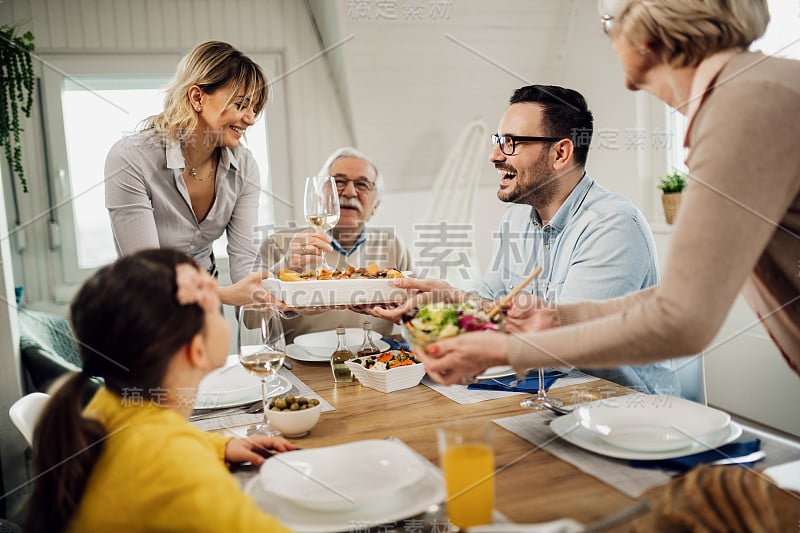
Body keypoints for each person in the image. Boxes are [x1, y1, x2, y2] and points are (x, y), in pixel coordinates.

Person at [405, 0, 800, 385]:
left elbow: (681, 319)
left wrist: (503, 351)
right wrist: (558, 318)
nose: (608, 39)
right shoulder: (749, 92)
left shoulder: (744, 105)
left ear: (647, 32)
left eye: (609, 23)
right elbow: (672, 300)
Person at [372, 85, 679, 393]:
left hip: (624, 409)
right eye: (498, 141)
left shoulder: (612, 225)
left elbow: (560, 348)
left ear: (560, 153)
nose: (494, 155)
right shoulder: (516, 219)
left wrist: (458, 304)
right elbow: (490, 299)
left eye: (511, 143)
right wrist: (443, 298)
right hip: (553, 396)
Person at [26, 249, 295, 532]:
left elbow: (155, 441)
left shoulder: (111, 403)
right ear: (197, 350)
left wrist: (222, 446)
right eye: (214, 301)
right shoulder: (176, 466)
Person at [105, 41, 272, 306]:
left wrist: (295, 290)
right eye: (241, 105)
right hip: (144, 314)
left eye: (254, 108)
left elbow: (245, 266)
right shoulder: (130, 157)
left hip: (205, 312)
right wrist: (223, 295)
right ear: (197, 98)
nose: (251, 119)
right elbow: (144, 273)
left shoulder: (244, 166)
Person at [261, 147, 413, 342]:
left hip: (374, 363)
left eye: (362, 184)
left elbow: (418, 313)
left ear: (376, 205)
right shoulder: (279, 244)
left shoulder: (394, 246)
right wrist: (285, 270)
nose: (349, 192)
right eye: (338, 182)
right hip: (300, 366)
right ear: (318, 197)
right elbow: (250, 320)